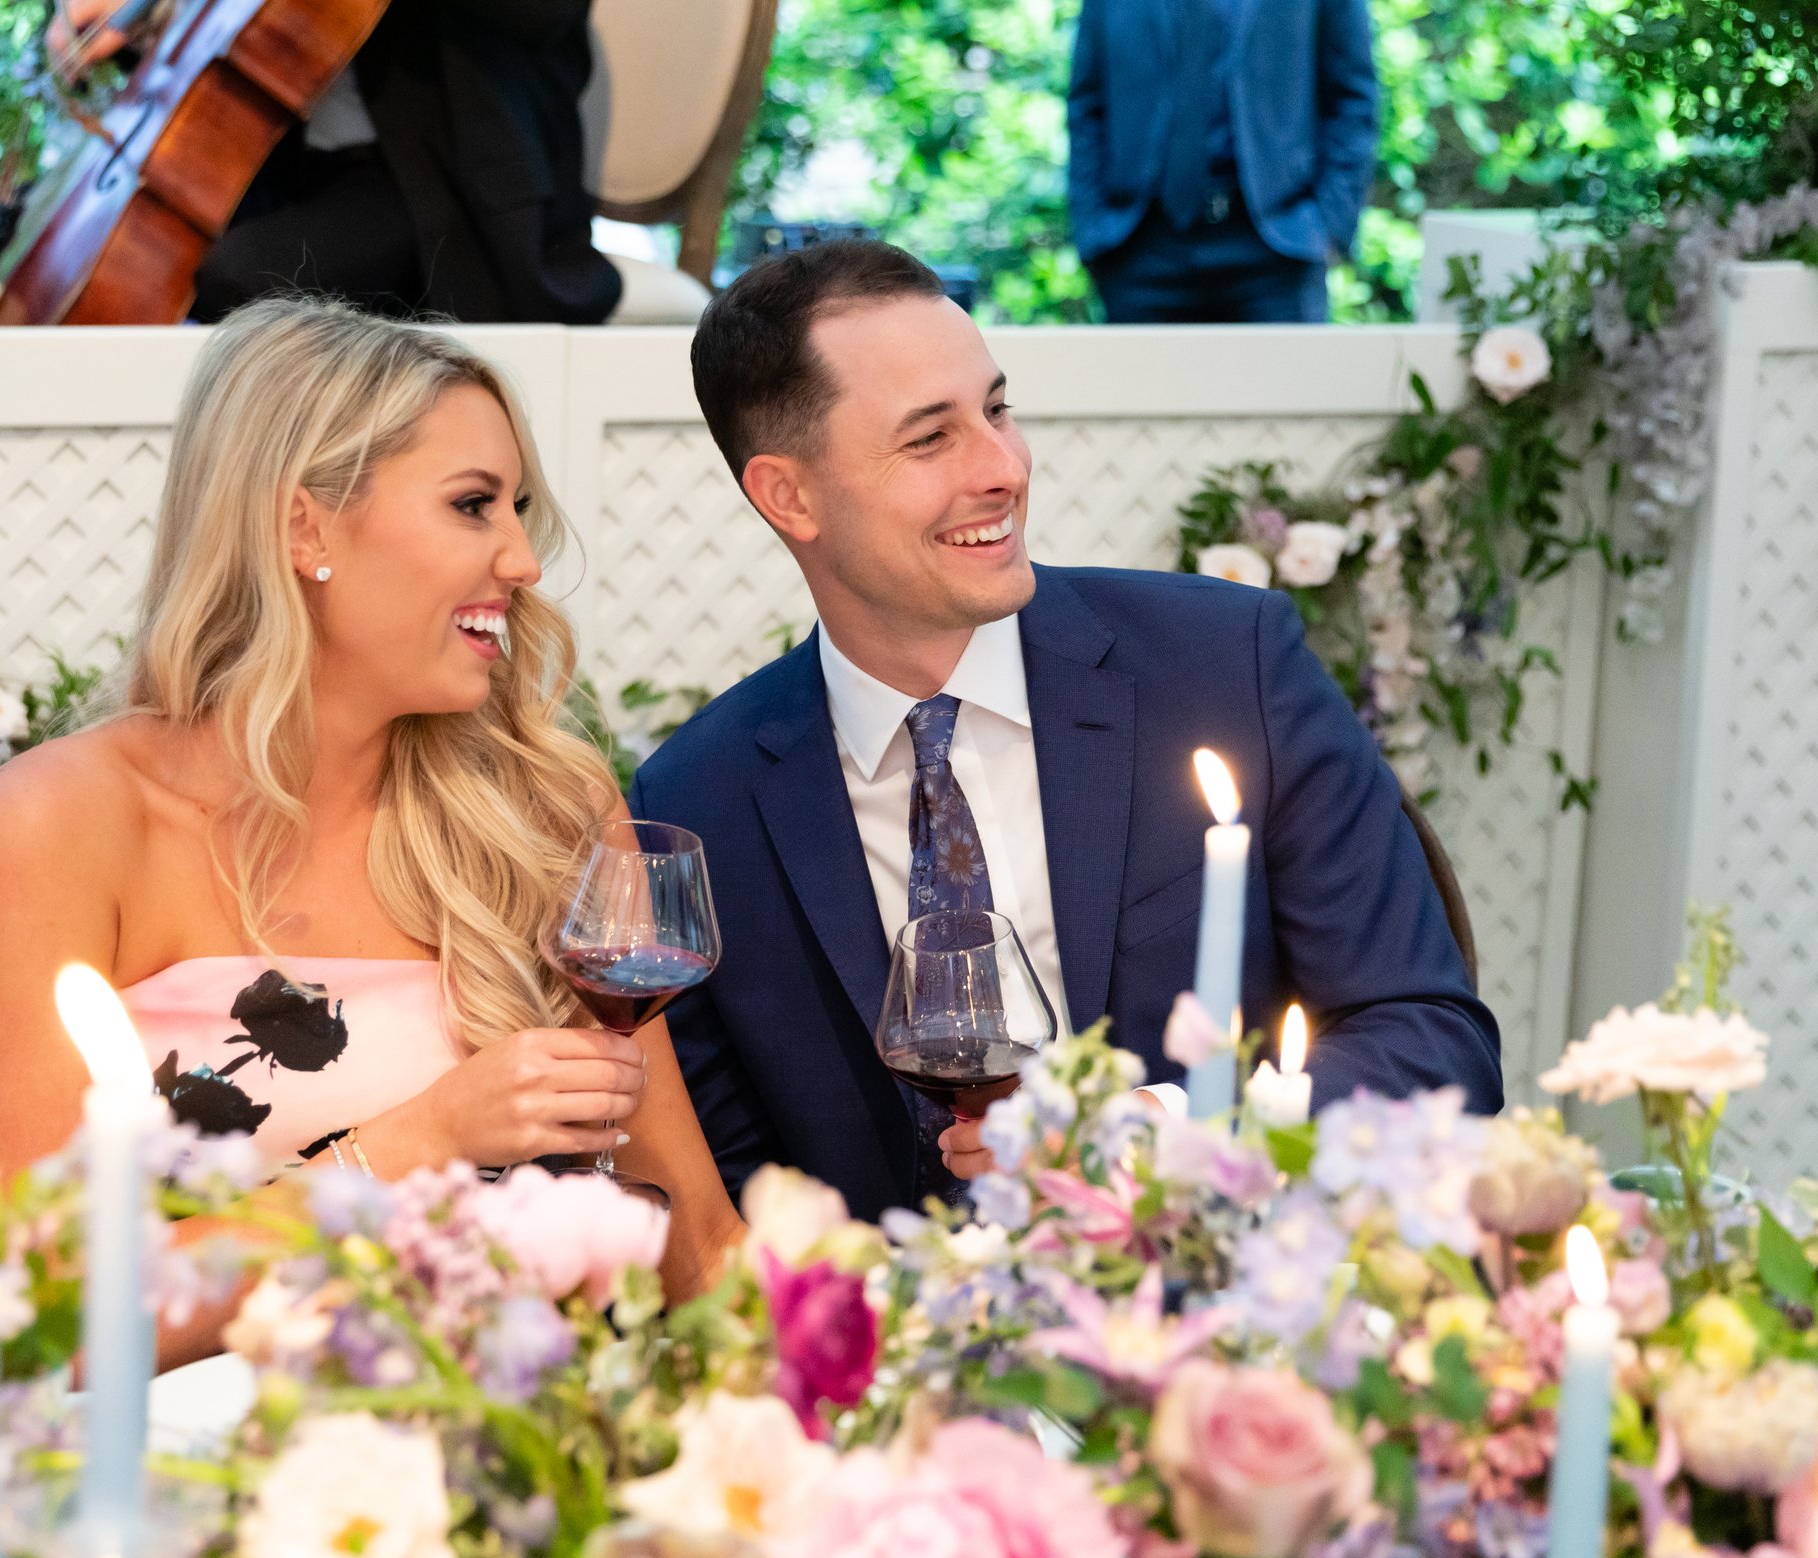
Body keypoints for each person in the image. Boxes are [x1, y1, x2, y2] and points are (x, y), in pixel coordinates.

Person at [629, 240, 1499, 1222]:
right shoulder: (698, 803)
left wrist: (1177, 1133)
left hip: (1233, 1290)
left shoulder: (1228, 667)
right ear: (788, 495)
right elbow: (723, 1200)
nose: (1003, 467)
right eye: (931, 438)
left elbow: (1432, 1040)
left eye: (996, 410)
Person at [0, 297, 738, 1363]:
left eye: (516, 508)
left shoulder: (544, 807)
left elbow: (694, 1243)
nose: (522, 560)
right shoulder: (56, 823)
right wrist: (416, 1143)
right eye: (473, 505)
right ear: (302, 527)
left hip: (516, 1435)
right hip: (193, 1451)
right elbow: (34, 1319)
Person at [49, 0, 619, 325]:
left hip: (443, 180)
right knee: (125, 262)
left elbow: (544, 11)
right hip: (286, 162)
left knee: (243, 279)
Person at [1067, 0, 1378, 324]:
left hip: (1276, 246)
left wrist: (1329, 226)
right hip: (1141, 246)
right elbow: (1087, 103)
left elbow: (1352, 99)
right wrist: (1093, 229)